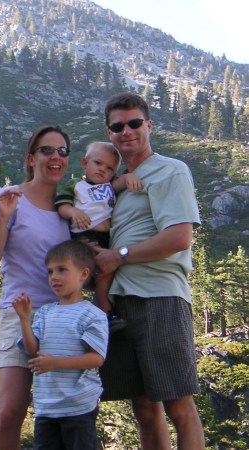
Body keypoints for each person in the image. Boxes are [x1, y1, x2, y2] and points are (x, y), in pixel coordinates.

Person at [95, 92, 205, 450]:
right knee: (143, 408)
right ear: (109, 133)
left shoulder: (170, 170)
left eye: (134, 123)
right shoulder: (118, 186)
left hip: (160, 296)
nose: (126, 131)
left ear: (149, 126)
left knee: (179, 405)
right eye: (117, 126)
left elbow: (179, 237)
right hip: (121, 305)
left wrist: (119, 256)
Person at [0, 125, 72, 450]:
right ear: (31, 158)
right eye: (47, 150)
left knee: (64, 419)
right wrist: (3, 219)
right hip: (19, 313)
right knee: (8, 413)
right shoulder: (9, 199)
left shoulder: (70, 209)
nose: (55, 156)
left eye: (62, 151)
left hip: (63, 321)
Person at [13, 240, 109, 450]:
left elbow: (96, 358)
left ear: (83, 274)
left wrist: (57, 362)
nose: (53, 277)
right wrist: (24, 319)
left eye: (62, 270)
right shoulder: (46, 312)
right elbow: (32, 350)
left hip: (79, 407)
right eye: (50, 272)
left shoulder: (92, 315)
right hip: (46, 408)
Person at [55, 141, 143, 333]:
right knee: (79, 276)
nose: (103, 170)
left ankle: (103, 313)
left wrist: (129, 177)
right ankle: (74, 313)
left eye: (109, 168)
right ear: (85, 163)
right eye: (98, 163)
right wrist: (73, 212)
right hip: (83, 237)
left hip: (105, 240)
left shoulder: (109, 187)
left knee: (106, 273)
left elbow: (122, 182)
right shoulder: (77, 186)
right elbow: (61, 205)